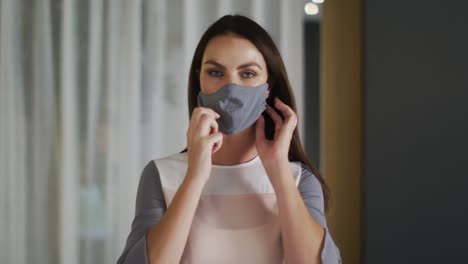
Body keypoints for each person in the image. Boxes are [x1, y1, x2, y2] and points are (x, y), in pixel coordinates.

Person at [117, 15, 341, 264]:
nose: (230, 87)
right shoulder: (160, 175)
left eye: (247, 73)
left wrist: (278, 169)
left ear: (268, 87)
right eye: (215, 72)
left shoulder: (300, 180)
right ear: (199, 80)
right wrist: (195, 176)